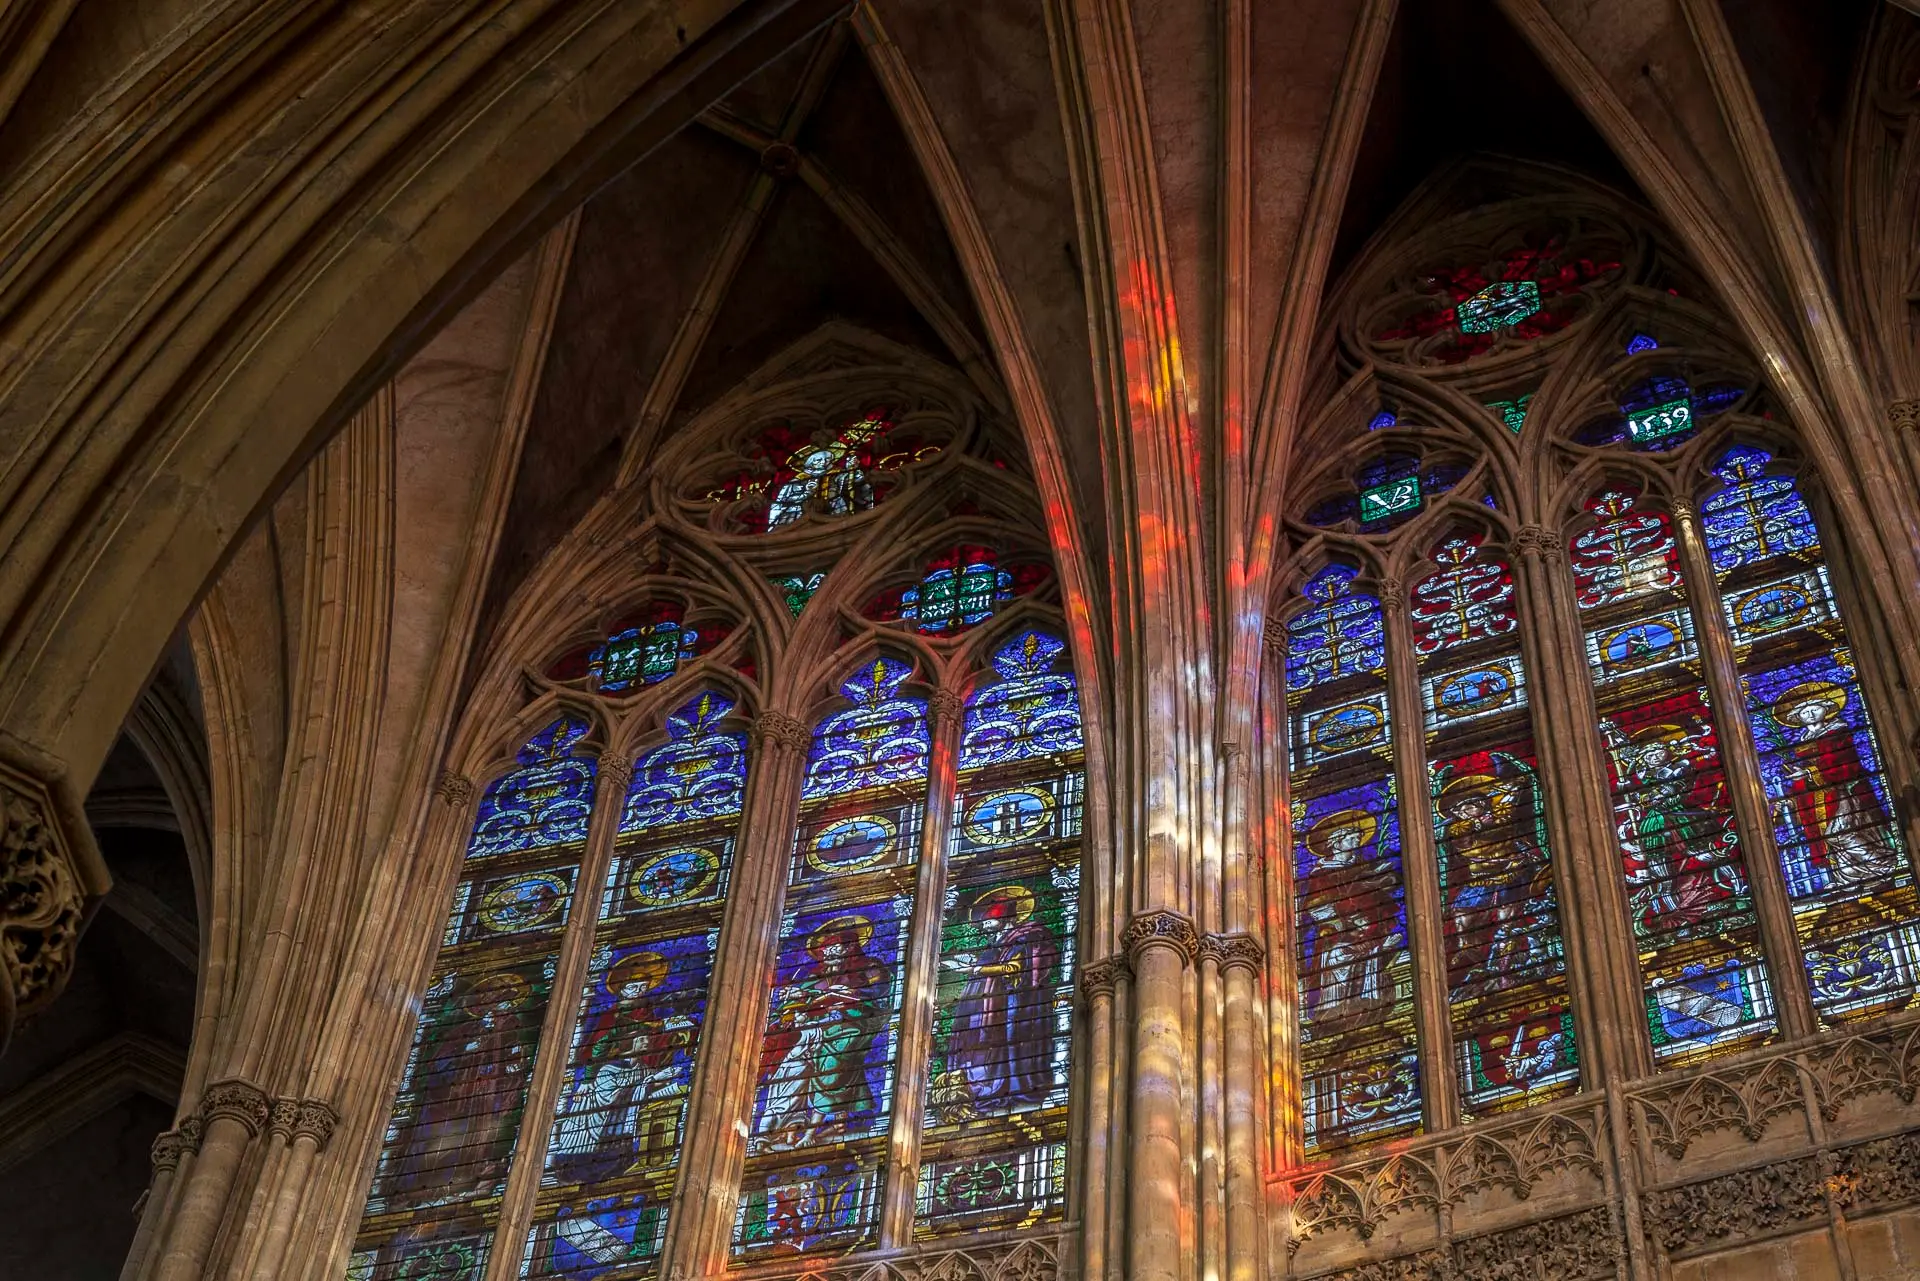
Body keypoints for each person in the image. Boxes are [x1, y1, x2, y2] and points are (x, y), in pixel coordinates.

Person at [386, 970, 534, 1204]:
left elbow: (514, 1070)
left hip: (483, 1102)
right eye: (495, 1001)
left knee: (473, 1144)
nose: (499, 1009)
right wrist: (467, 1050)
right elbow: (438, 1062)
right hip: (450, 1100)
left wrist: (514, 1068)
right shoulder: (464, 1031)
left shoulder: (508, 1035)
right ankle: (409, 1190)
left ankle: (461, 1188)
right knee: (431, 1142)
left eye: (505, 1003)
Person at [549, 951, 696, 1184]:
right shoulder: (613, 1016)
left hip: (634, 1069)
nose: (638, 991)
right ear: (622, 989)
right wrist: (587, 1080)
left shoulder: (648, 1011)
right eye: (633, 987)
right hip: (611, 1073)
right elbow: (597, 1045)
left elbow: (654, 1036)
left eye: (642, 986)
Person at [757, 915, 889, 1148]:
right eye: (827, 949)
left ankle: (812, 1129)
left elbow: (874, 1005)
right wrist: (795, 1001)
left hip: (848, 1029)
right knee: (789, 1066)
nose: (830, 954)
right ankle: (777, 1127)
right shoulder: (812, 979)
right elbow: (789, 1009)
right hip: (811, 1033)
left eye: (837, 948)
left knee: (832, 1057)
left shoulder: (865, 974)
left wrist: (845, 1003)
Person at [1604, 720, 1739, 937]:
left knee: (1705, 852)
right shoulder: (1643, 777)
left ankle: (1737, 888)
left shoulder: (1679, 769)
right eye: (1649, 755)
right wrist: (1628, 791)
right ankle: (1670, 908)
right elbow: (1638, 786)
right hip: (1654, 822)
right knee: (1659, 865)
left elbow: (1673, 790)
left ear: (1668, 752)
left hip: (1680, 816)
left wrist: (1650, 797)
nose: (1654, 757)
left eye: (1658, 752)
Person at [935, 886, 1060, 1119]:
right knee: (977, 1043)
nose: (983, 924)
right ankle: (980, 1090)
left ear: (1003, 916)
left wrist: (975, 968)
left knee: (1002, 1043)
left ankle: (1004, 1089)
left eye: (988, 919)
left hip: (1010, 1005)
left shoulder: (1025, 937)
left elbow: (1015, 969)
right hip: (983, 1004)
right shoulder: (997, 942)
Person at [1770, 680, 1904, 894]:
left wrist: (1809, 772)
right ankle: (1851, 878)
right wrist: (1792, 797)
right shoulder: (1802, 741)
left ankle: (1882, 864)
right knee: (1829, 838)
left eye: (1815, 709)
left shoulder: (1838, 732)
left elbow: (1844, 764)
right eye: (1805, 712)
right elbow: (1803, 776)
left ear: (1827, 709)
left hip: (1846, 793)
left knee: (1840, 833)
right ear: (1797, 718)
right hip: (1817, 799)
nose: (1811, 714)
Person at [1435, 770, 1553, 997]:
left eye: (1476, 803)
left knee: (1505, 920)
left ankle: (1504, 966)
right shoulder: (1460, 828)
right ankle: (1469, 952)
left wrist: (1526, 855)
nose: (1472, 809)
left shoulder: (1500, 820)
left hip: (1510, 878)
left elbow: (1513, 834)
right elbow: (1468, 848)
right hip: (1481, 879)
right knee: (1463, 913)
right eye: (1466, 806)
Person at [1297, 807, 1401, 1032]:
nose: (1357, 839)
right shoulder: (1321, 872)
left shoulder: (1362, 867)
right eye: (1351, 836)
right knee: (1338, 955)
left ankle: (1368, 999)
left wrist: (1377, 884)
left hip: (1368, 926)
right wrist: (1345, 920)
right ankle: (1335, 1003)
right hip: (1335, 932)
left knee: (1375, 947)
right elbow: (1316, 908)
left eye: (1357, 835)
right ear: (1336, 842)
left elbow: (1377, 899)